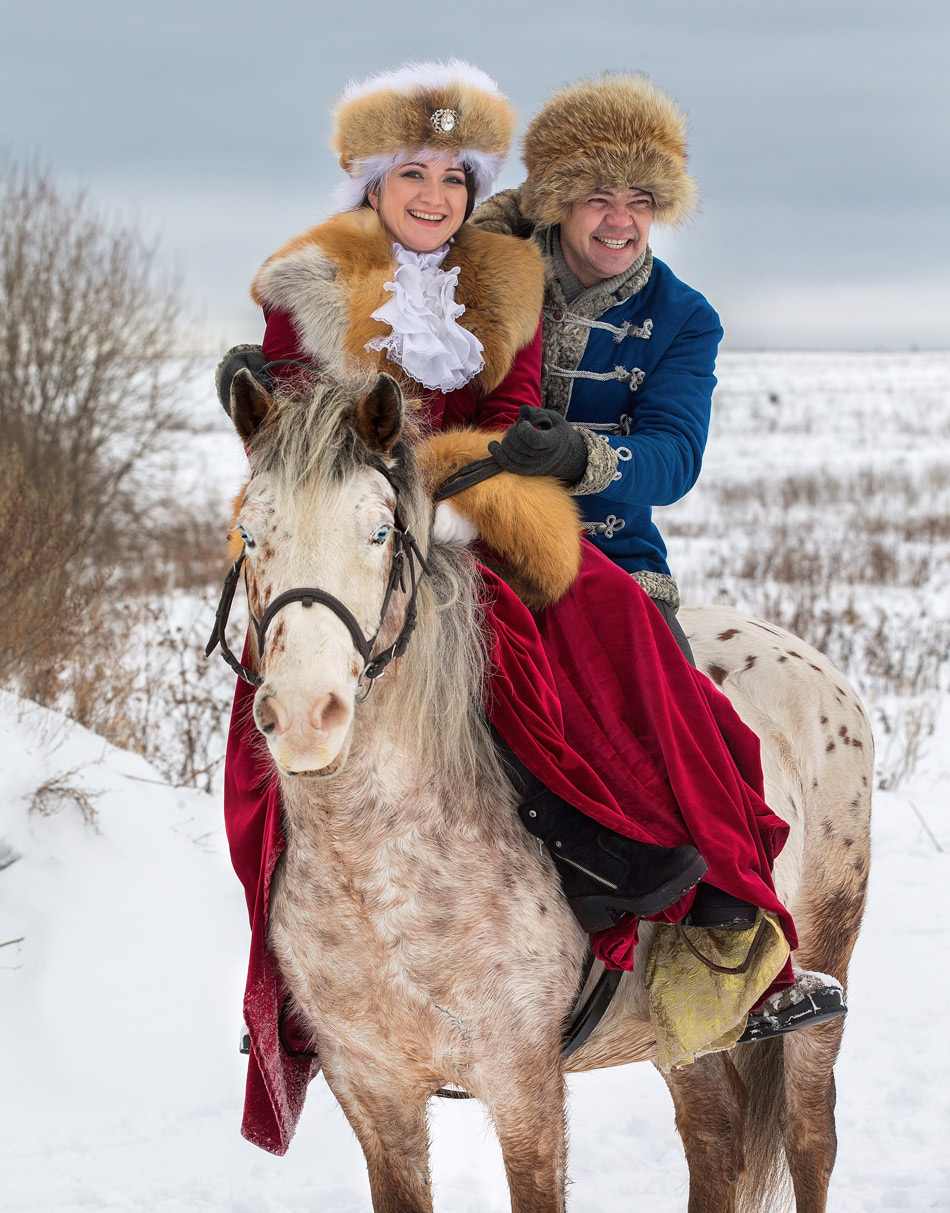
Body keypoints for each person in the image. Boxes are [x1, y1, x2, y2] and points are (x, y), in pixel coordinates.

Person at [217, 61, 837, 1154]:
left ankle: (716, 905)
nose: (617, 218)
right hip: (370, 536)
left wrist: (550, 457)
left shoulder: (647, 313)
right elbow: (299, 405)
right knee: (269, 690)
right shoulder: (431, 255)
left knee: (619, 645)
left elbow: (654, 446)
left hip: (525, 525)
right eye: (596, 197)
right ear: (551, 200)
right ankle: (293, 962)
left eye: (638, 201)